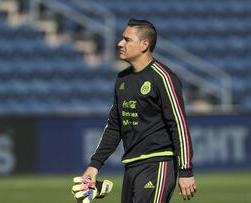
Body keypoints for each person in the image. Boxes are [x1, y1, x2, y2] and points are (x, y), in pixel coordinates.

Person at [82, 18, 197, 203]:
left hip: (158, 164)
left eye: (127, 39)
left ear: (144, 45)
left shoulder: (163, 78)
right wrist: (94, 165)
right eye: (122, 38)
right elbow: (114, 126)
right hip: (131, 166)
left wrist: (185, 170)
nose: (120, 43)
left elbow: (179, 125)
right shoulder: (122, 79)